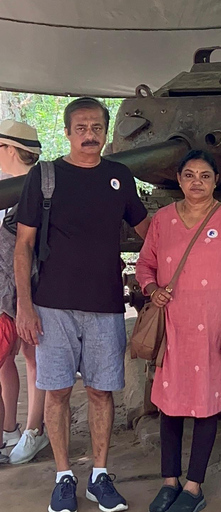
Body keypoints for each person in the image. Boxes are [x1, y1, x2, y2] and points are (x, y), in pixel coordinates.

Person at [14, 97, 150, 512]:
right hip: (52, 305)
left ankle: (100, 475)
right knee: (55, 393)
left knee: (100, 392)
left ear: (106, 133)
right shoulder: (45, 176)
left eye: (96, 128)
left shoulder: (119, 176)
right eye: (81, 128)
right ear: (69, 131)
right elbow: (23, 245)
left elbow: (151, 232)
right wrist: (24, 304)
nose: (89, 135)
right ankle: (62, 476)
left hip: (107, 305)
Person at [136, 150, 221, 512]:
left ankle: (193, 487)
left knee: (205, 405)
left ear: (215, 180)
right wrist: (151, 289)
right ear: (179, 179)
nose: (197, 182)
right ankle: (169, 482)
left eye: (205, 175)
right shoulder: (164, 219)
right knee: (170, 406)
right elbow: (145, 264)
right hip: (173, 326)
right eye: (189, 175)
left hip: (214, 329)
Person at [0, 120, 49, 465]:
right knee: (6, 359)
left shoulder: (40, 186)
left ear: (9, 149)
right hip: (3, 288)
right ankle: (9, 429)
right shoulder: (5, 187)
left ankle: (34, 429)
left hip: (32, 284)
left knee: (33, 356)